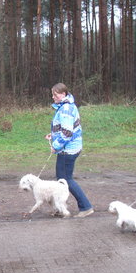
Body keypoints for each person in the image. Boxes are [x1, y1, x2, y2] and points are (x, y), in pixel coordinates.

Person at [45, 83, 94, 218]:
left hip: (68, 150)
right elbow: (64, 129)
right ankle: (60, 208)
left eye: (56, 94)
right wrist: (53, 135)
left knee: (66, 180)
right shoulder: (66, 106)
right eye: (53, 94)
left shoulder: (65, 109)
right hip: (69, 148)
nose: (53, 97)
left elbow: (67, 133)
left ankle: (86, 207)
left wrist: (55, 145)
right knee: (62, 179)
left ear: (64, 94)